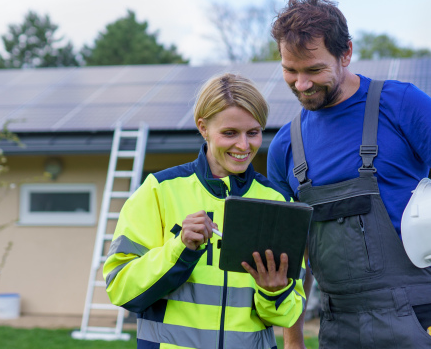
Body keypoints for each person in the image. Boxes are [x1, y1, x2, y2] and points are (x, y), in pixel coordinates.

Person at [267, 0, 431, 349]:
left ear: (346, 53)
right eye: (291, 71)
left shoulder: (401, 105)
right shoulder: (284, 147)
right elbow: (293, 251)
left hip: (415, 316)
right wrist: (293, 340)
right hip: (337, 325)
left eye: (314, 70)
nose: (301, 84)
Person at [104, 73, 306, 349]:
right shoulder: (158, 191)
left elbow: (288, 313)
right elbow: (120, 289)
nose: (244, 146)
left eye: (253, 132)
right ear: (203, 128)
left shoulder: (279, 202)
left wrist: (275, 291)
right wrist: (180, 249)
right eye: (229, 133)